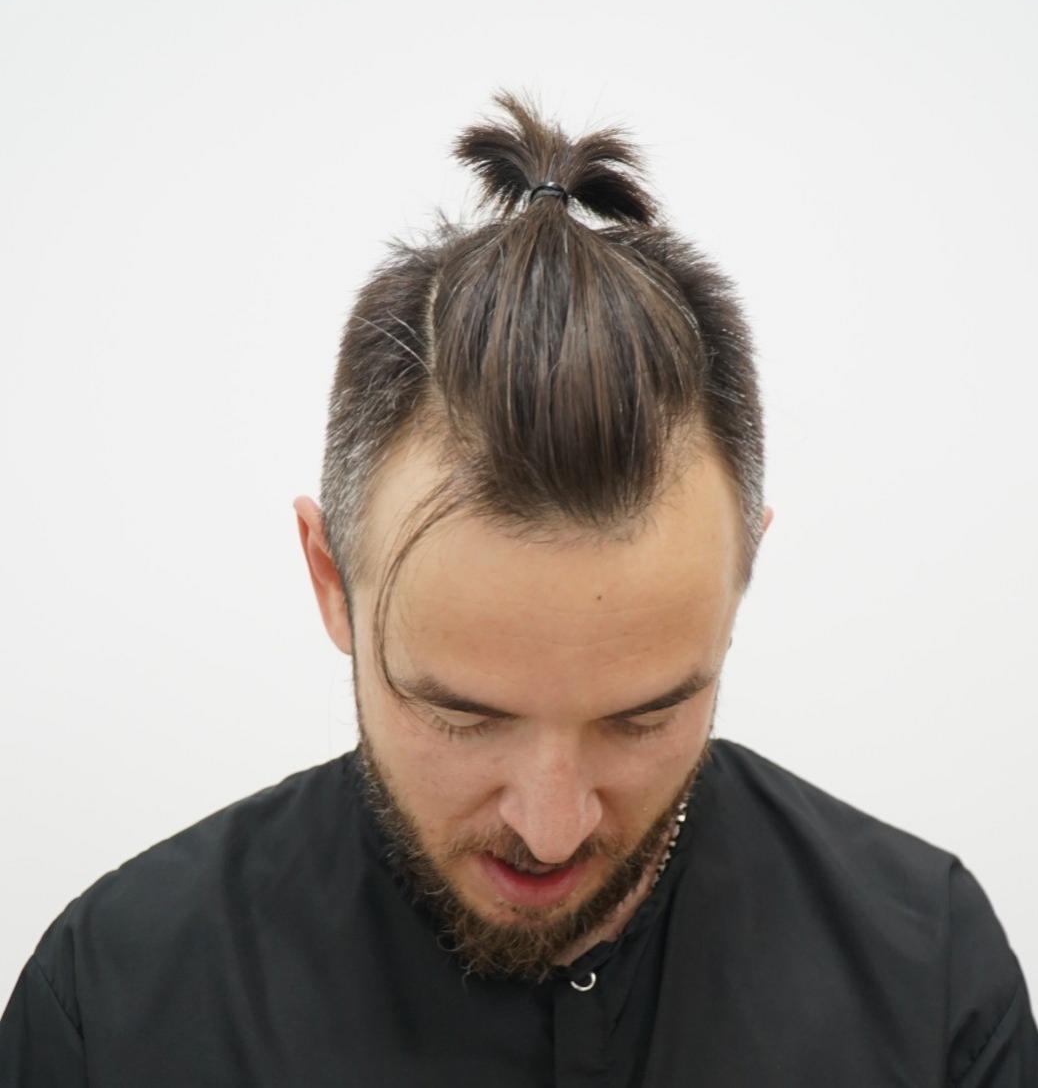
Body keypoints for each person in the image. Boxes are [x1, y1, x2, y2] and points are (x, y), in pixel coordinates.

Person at [2, 90, 1034, 1087]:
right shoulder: (112, 1010)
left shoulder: (931, 986)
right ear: (330, 579)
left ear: (742, 581)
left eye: (643, 718)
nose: (551, 827)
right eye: (463, 717)